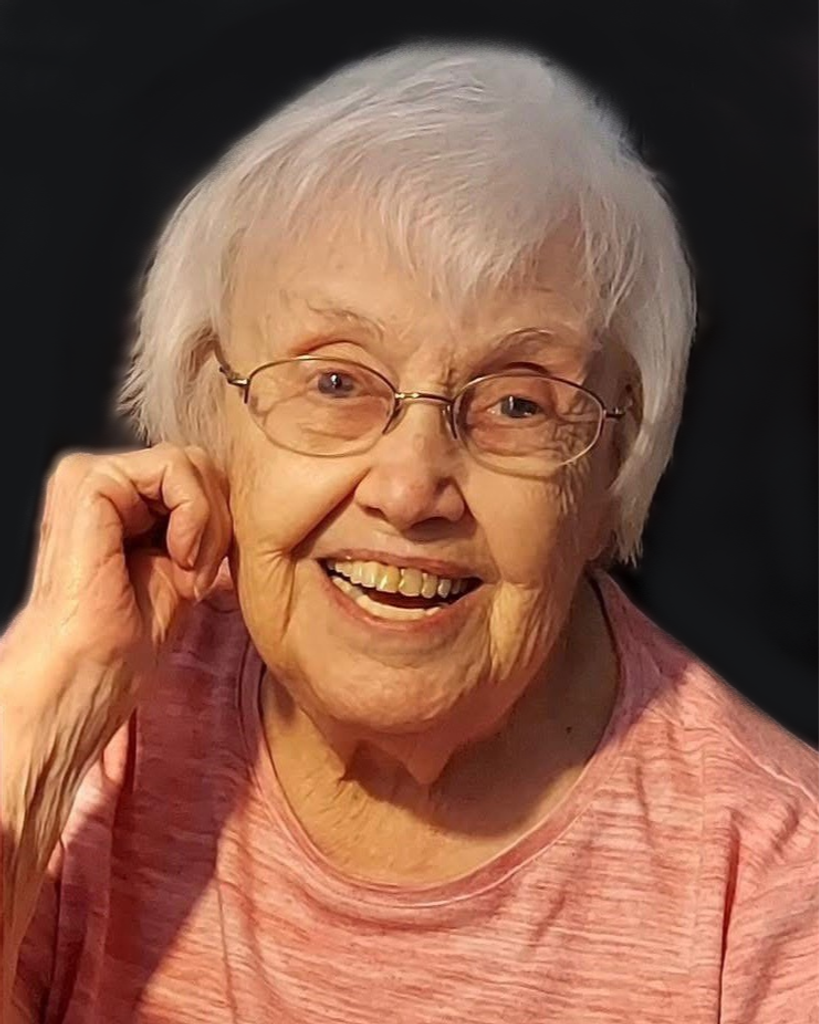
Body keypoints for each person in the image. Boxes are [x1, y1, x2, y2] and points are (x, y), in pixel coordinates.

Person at [1, 42, 817, 1024]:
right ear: (209, 415)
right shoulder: (95, 725)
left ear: (611, 465)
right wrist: (40, 717)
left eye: (516, 402)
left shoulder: (774, 885)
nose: (410, 487)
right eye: (335, 381)